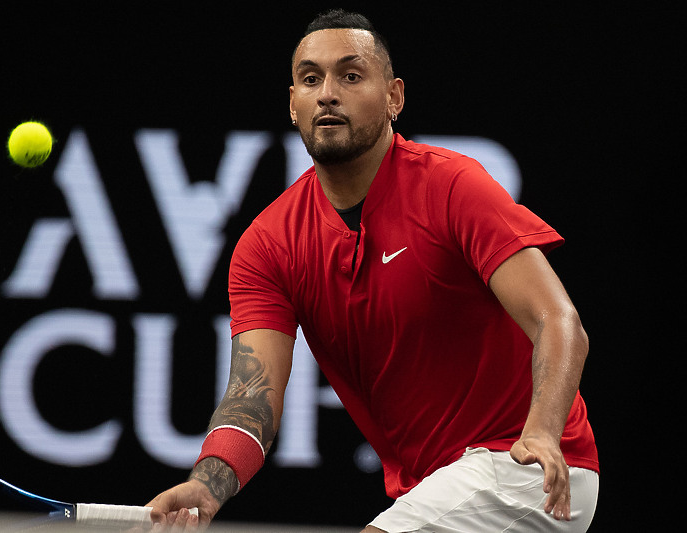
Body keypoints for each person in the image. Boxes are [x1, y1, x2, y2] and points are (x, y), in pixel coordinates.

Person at [147, 9, 599, 532]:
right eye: (310, 79)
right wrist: (207, 483)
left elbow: (559, 322)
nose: (327, 93)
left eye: (351, 75)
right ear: (292, 104)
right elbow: (252, 403)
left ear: (394, 97)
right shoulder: (267, 245)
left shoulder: (453, 187)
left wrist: (541, 432)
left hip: (525, 466)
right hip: (430, 485)